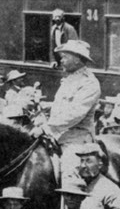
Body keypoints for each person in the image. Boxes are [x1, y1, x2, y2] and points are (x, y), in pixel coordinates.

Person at [32, 40, 101, 178]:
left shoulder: (89, 83)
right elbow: (64, 106)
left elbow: (75, 114)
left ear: (77, 59)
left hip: (76, 138)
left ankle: (70, 198)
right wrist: (48, 107)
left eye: (65, 57)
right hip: (56, 134)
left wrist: (45, 128)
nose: (61, 61)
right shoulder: (69, 79)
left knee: (69, 173)